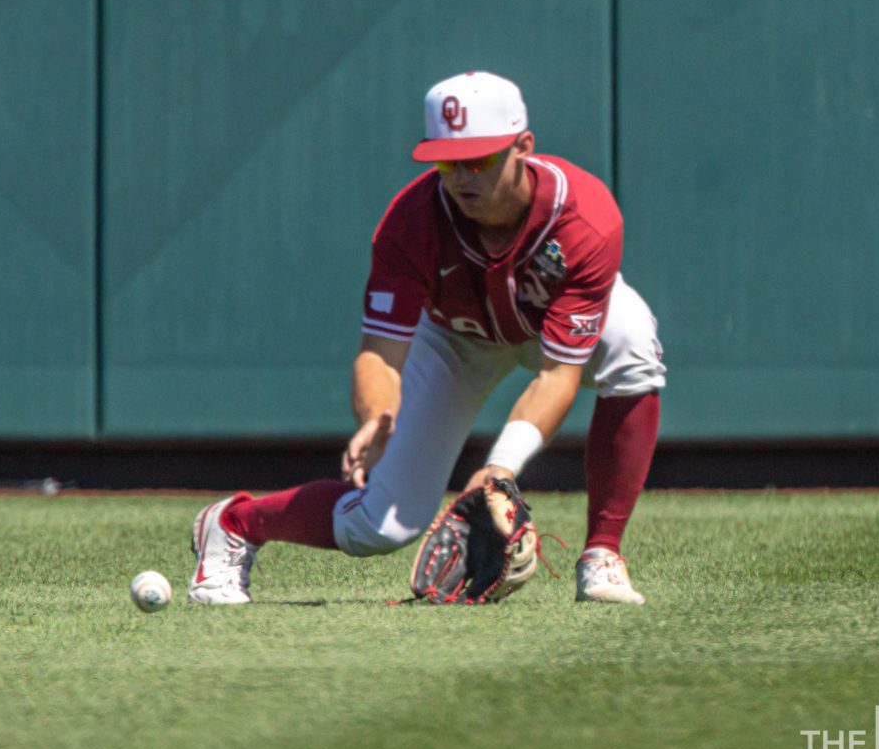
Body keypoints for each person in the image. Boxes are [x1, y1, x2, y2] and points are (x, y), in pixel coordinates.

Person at [188, 71, 667, 606]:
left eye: (479, 159)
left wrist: (499, 468)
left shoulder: (584, 217)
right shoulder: (411, 222)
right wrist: (376, 415)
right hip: (456, 338)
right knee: (379, 527)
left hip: (549, 324)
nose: (461, 176)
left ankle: (602, 554)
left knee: (631, 341)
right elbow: (381, 355)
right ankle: (235, 523)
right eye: (446, 160)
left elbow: (559, 373)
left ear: (523, 147)